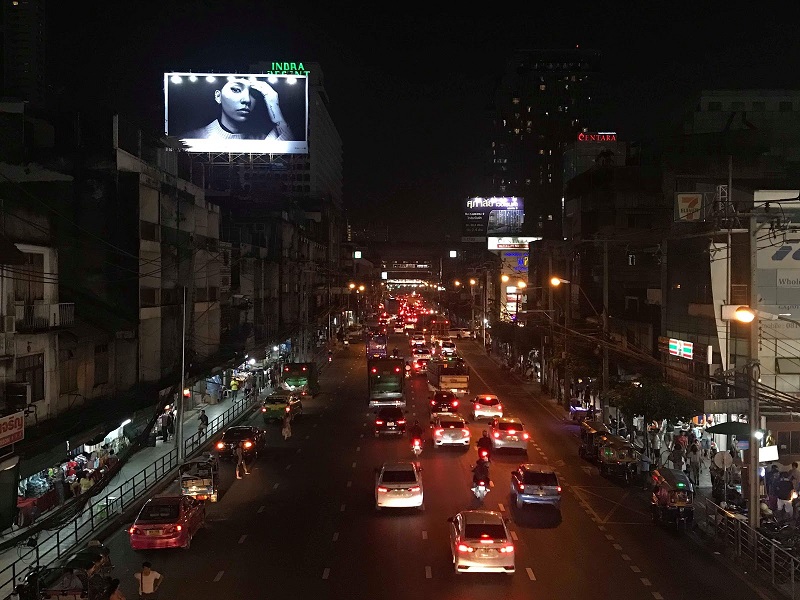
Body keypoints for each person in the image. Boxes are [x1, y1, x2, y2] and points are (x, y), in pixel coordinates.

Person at [182, 78, 294, 141]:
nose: (247, 100)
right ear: (218, 96)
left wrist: (273, 103)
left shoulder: (263, 140)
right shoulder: (191, 138)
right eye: (236, 90)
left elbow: (291, 146)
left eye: (253, 93)